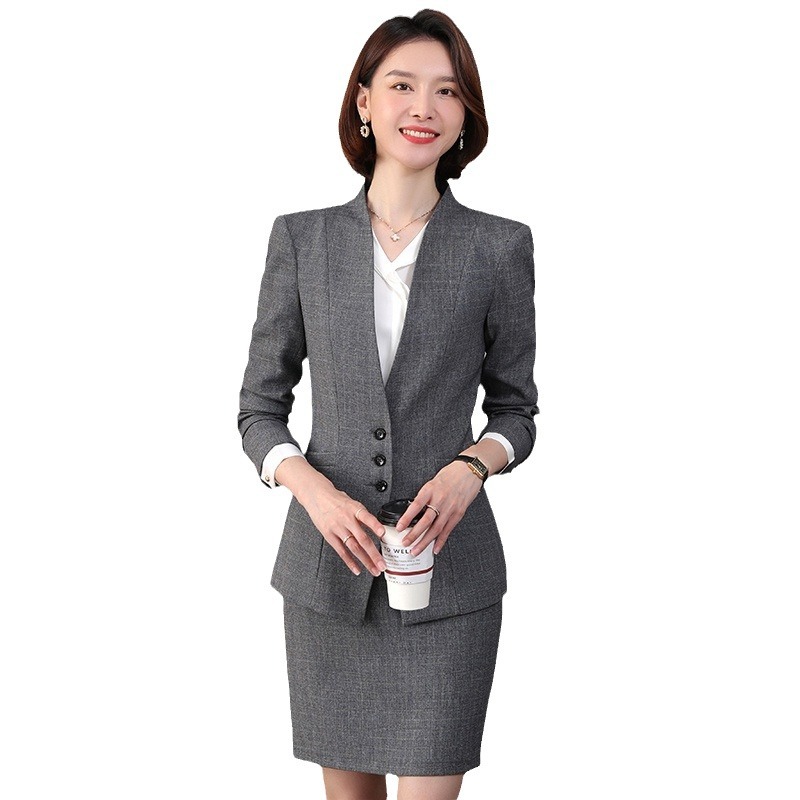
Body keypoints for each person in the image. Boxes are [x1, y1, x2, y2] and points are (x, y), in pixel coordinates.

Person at [237, 9, 539, 800]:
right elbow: (258, 408)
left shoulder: (499, 246)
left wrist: (472, 468)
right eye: (403, 85)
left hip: (451, 577)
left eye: (448, 91)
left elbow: (516, 411)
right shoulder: (301, 240)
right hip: (328, 576)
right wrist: (312, 491)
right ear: (364, 101)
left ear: (466, 115)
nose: (424, 107)